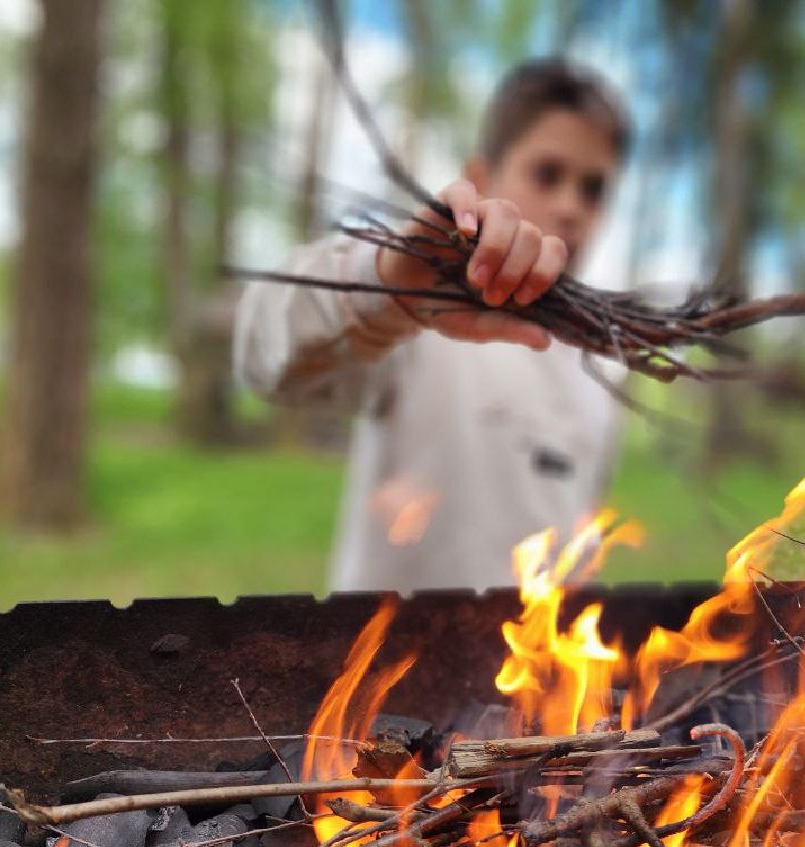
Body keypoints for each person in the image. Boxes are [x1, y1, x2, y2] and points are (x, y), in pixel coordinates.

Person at [235, 59, 631, 593]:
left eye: (593, 188)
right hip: (394, 647)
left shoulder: (601, 373)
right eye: (547, 174)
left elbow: (581, 535)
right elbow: (264, 357)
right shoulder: (419, 321)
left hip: (537, 647)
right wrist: (386, 288)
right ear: (480, 179)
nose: (570, 207)